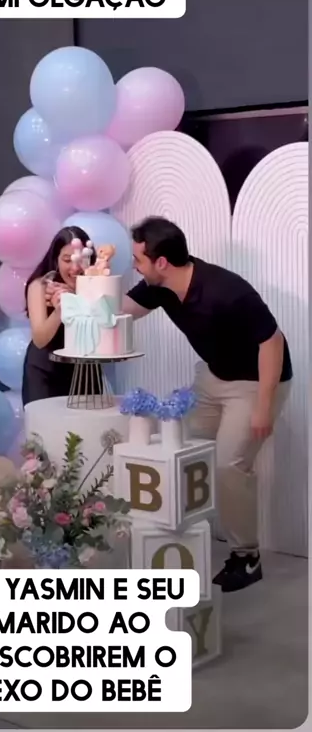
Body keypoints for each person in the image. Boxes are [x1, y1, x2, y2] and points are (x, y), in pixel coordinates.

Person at [123, 216, 292, 593]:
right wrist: (82, 290)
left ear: (161, 262)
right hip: (214, 377)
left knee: (229, 465)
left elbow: (272, 341)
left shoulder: (225, 290)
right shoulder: (159, 287)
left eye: (138, 259)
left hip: (255, 382)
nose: (134, 265)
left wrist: (264, 406)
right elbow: (121, 310)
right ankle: (176, 531)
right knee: (177, 447)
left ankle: (247, 556)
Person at [22, 226, 96, 405]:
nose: (75, 267)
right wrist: (61, 309)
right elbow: (40, 339)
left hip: (84, 371)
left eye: (80, 260)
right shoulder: (40, 286)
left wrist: (79, 295)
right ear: (56, 260)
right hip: (45, 370)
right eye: (67, 260)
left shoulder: (97, 284)